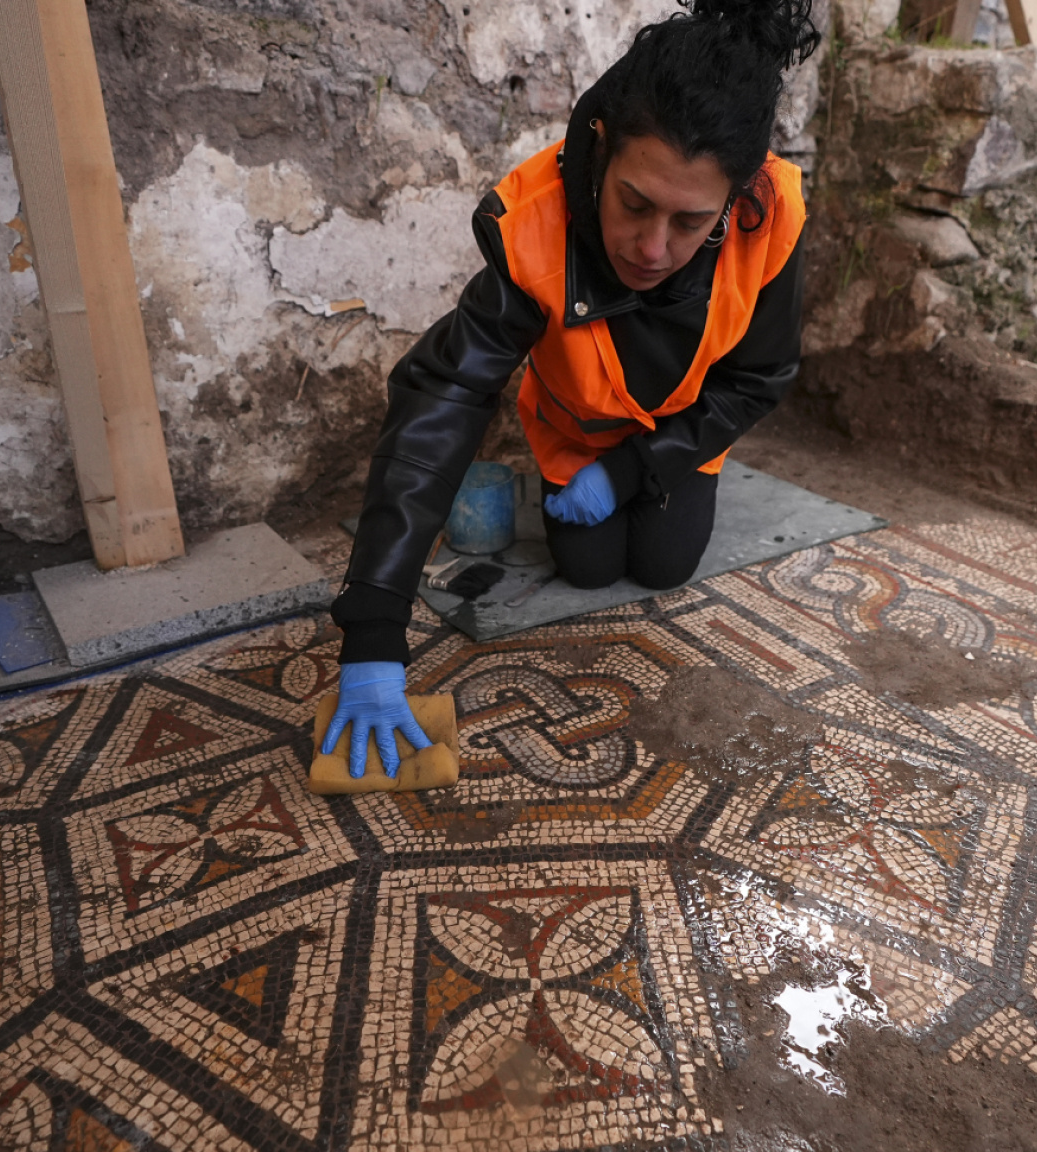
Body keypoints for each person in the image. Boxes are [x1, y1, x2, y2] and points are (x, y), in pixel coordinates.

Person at [322, 0, 820, 779]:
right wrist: (374, 626)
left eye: (690, 222)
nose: (653, 248)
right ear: (600, 151)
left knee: (664, 566)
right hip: (573, 434)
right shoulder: (533, 225)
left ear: (736, 198)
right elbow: (443, 395)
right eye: (633, 204)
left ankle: (640, 487)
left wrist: (631, 471)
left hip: (684, 435)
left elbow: (757, 379)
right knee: (587, 566)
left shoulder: (773, 215)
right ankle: (573, 491)